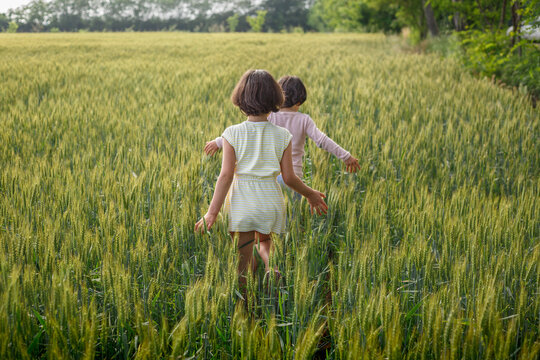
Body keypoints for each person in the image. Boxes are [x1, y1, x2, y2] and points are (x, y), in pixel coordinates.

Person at [194, 69, 328, 286]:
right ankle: (271, 267)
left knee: (243, 264)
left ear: (240, 100)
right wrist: (311, 194)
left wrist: (212, 212)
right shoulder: (283, 135)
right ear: (276, 99)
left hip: (242, 202)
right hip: (269, 200)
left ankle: (246, 305)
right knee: (266, 242)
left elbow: (226, 175)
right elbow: (290, 177)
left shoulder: (231, 133)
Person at [204, 75, 361, 197]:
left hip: (269, 178)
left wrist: (219, 141)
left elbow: (247, 131)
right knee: (290, 224)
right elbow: (322, 141)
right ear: (299, 101)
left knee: (269, 225)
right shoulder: (304, 120)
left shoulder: (270, 115)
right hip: (294, 180)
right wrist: (346, 156)